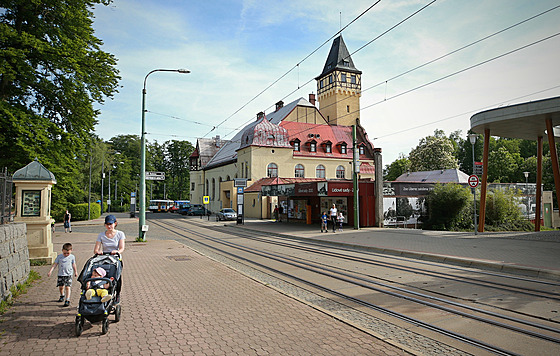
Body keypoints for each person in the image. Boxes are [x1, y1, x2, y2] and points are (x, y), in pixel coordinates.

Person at [94, 215, 125, 301]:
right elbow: (96, 249)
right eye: (107, 224)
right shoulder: (101, 235)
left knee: (117, 277)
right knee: (103, 275)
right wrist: (98, 251)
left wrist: (117, 251)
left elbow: (122, 248)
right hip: (104, 258)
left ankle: (117, 294)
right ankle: (102, 292)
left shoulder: (120, 234)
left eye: (110, 224)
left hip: (115, 258)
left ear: (115, 223)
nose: (109, 226)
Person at [47, 243, 78, 307]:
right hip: (61, 274)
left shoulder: (72, 257)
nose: (66, 255)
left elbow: (73, 264)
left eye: (68, 253)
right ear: (62, 250)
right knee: (61, 287)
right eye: (64, 253)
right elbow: (55, 264)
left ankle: (67, 299)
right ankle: (62, 295)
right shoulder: (59, 257)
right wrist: (50, 271)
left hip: (68, 274)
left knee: (67, 287)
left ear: (71, 250)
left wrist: (75, 272)